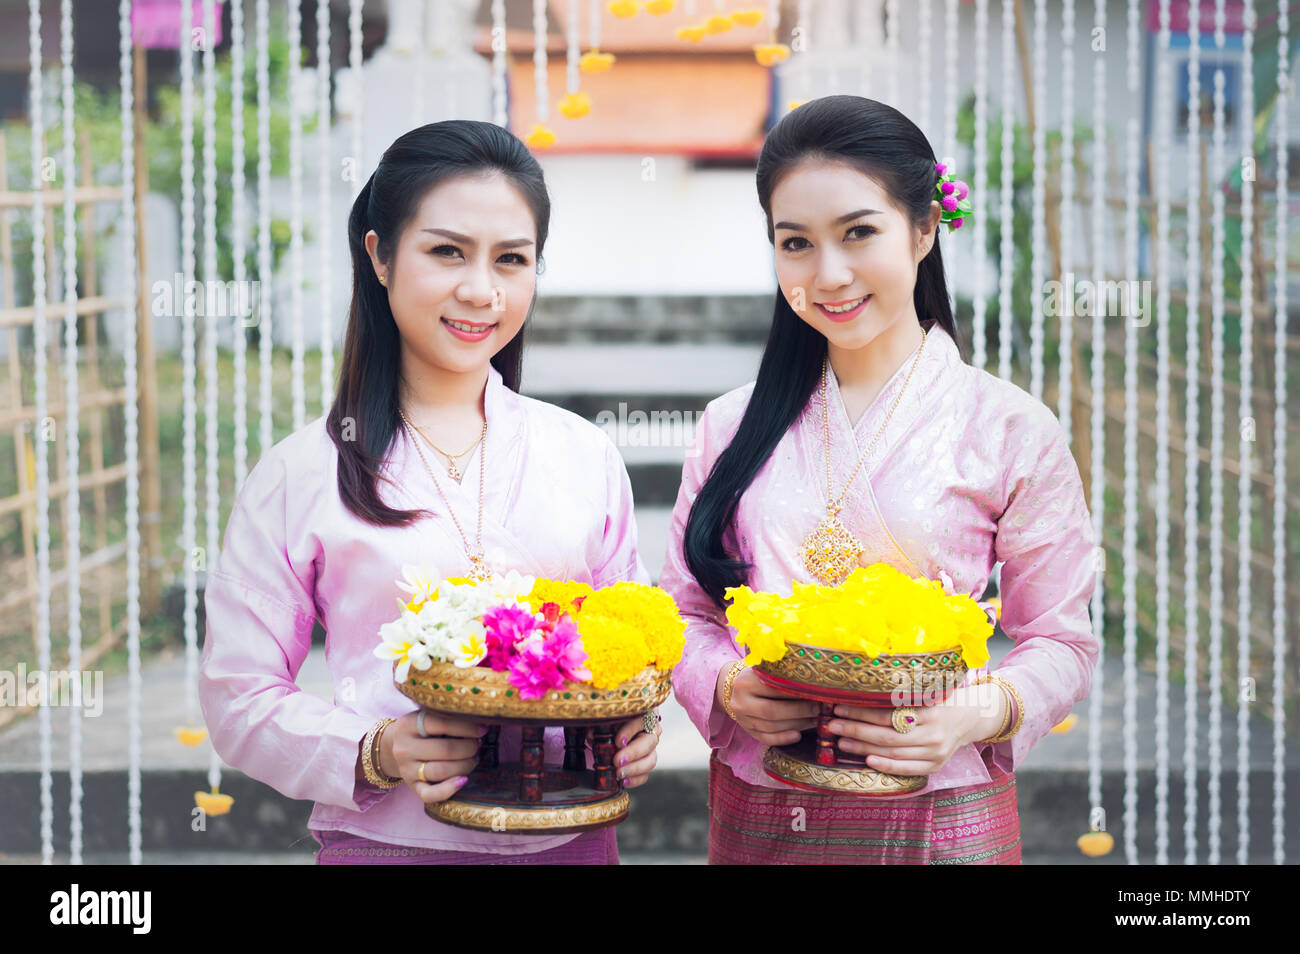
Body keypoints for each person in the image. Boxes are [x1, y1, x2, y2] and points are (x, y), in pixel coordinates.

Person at [199, 120, 659, 865]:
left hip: (570, 836)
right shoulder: (303, 472)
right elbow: (237, 694)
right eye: (447, 251)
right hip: (390, 845)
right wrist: (376, 749)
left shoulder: (581, 453)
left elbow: (633, 643)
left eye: (511, 260)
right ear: (380, 256)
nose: (481, 290)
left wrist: (635, 725)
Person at [659, 95, 1099, 864]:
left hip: (941, 808)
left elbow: (1061, 637)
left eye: (859, 232)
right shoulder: (731, 425)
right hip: (768, 806)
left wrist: (974, 712)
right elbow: (683, 608)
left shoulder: (1008, 426)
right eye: (795, 244)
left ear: (924, 229)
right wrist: (730, 686)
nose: (828, 275)